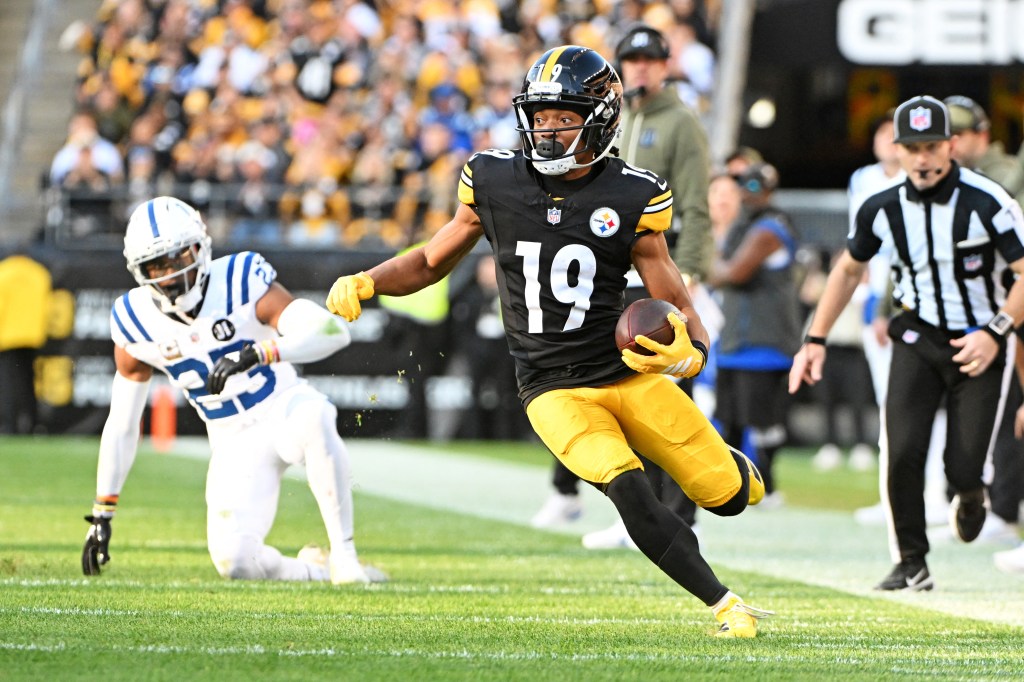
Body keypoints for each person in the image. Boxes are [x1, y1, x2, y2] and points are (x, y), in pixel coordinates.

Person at [326, 46, 772, 637]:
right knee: (628, 488)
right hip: (552, 388)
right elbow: (433, 260)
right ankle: (724, 604)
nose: (547, 129)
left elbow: (683, 306)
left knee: (731, 497)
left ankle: (733, 472)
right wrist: (369, 280)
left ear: (601, 117)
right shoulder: (493, 179)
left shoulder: (633, 193)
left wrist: (691, 351)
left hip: (628, 373)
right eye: (539, 116)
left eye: (563, 116)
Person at [81, 196, 383, 585]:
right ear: (140, 270)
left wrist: (264, 351)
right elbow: (122, 423)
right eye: (158, 264)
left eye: (179, 257)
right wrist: (103, 511)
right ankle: (316, 570)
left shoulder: (240, 278)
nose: (172, 273)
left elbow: (332, 331)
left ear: (200, 246)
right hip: (231, 441)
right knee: (235, 562)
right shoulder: (134, 320)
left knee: (315, 414)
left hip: (281, 408)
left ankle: (345, 556)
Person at [790, 96, 1024, 591]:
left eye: (932, 145)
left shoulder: (989, 201)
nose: (922, 158)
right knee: (899, 452)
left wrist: (995, 331)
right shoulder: (882, 205)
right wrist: (815, 338)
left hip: (981, 340)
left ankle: (970, 491)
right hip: (916, 335)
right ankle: (911, 562)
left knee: (961, 464)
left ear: (952, 146)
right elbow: (849, 269)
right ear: (896, 150)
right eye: (912, 147)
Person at [532, 25, 714, 546]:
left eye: (648, 60)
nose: (639, 68)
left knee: (661, 386)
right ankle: (614, 502)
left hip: (657, 267)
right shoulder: (612, 116)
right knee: (593, 377)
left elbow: (697, 204)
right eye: (630, 60)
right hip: (607, 271)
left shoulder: (680, 122)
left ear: (664, 66)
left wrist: (690, 274)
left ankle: (673, 513)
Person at [945, 95, 1024, 544]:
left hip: (1007, 298)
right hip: (985, 303)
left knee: (1010, 405)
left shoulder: (1003, 175)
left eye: (958, 134)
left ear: (981, 133)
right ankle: (986, 501)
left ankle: (1004, 505)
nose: (951, 143)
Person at [705, 162, 801, 507]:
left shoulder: (768, 229)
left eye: (755, 187)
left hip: (763, 342)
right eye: (744, 186)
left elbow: (734, 272)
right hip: (736, 340)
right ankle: (733, 488)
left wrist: (706, 262)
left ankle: (768, 486)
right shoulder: (743, 227)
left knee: (761, 421)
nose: (748, 194)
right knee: (729, 420)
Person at [0, 249, 52, 434]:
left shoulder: (4, 272)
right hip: (32, 337)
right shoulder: (39, 273)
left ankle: (9, 426)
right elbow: (46, 307)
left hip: (7, 337)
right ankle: (32, 424)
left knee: (7, 386)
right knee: (28, 384)